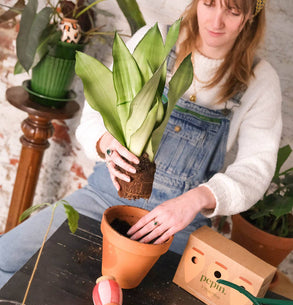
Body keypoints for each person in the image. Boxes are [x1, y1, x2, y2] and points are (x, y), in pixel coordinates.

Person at [0, 0, 282, 289]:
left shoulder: (259, 80)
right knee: (6, 260)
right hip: (102, 199)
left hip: (176, 226)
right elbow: (94, 118)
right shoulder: (156, 39)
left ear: (251, 14)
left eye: (232, 11)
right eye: (209, 4)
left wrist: (196, 199)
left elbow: (256, 169)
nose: (216, 21)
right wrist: (107, 143)